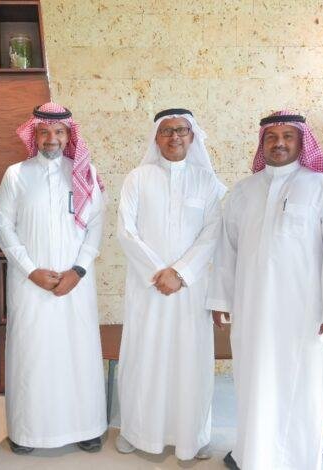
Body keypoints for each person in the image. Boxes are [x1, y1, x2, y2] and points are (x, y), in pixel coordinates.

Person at [207, 111, 323, 470]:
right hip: (252, 309)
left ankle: (296, 462)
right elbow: (227, 250)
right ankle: (251, 456)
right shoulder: (243, 191)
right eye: (271, 137)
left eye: (288, 136)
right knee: (253, 385)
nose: (280, 143)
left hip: (304, 313)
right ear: (262, 143)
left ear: (302, 141)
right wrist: (220, 300)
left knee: (300, 388)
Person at [0, 102, 107, 454]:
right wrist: (31, 270)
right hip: (30, 284)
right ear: (35, 135)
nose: (51, 138)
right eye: (44, 132)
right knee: (33, 355)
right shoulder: (16, 174)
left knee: (78, 353)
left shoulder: (84, 173)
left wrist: (78, 270)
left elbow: (96, 226)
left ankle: (86, 427)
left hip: (76, 284)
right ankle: (28, 432)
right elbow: (4, 228)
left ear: (69, 135)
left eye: (59, 132)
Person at [115, 108, 225, 460]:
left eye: (181, 130)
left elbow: (213, 233)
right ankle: (136, 431)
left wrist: (180, 273)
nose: (174, 136)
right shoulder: (137, 178)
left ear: (192, 137)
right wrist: (157, 272)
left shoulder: (207, 182)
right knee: (143, 356)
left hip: (190, 290)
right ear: (156, 137)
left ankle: (192, 436)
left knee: (190, 361)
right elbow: (126, 230)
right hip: (147, 288)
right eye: (166, 131)